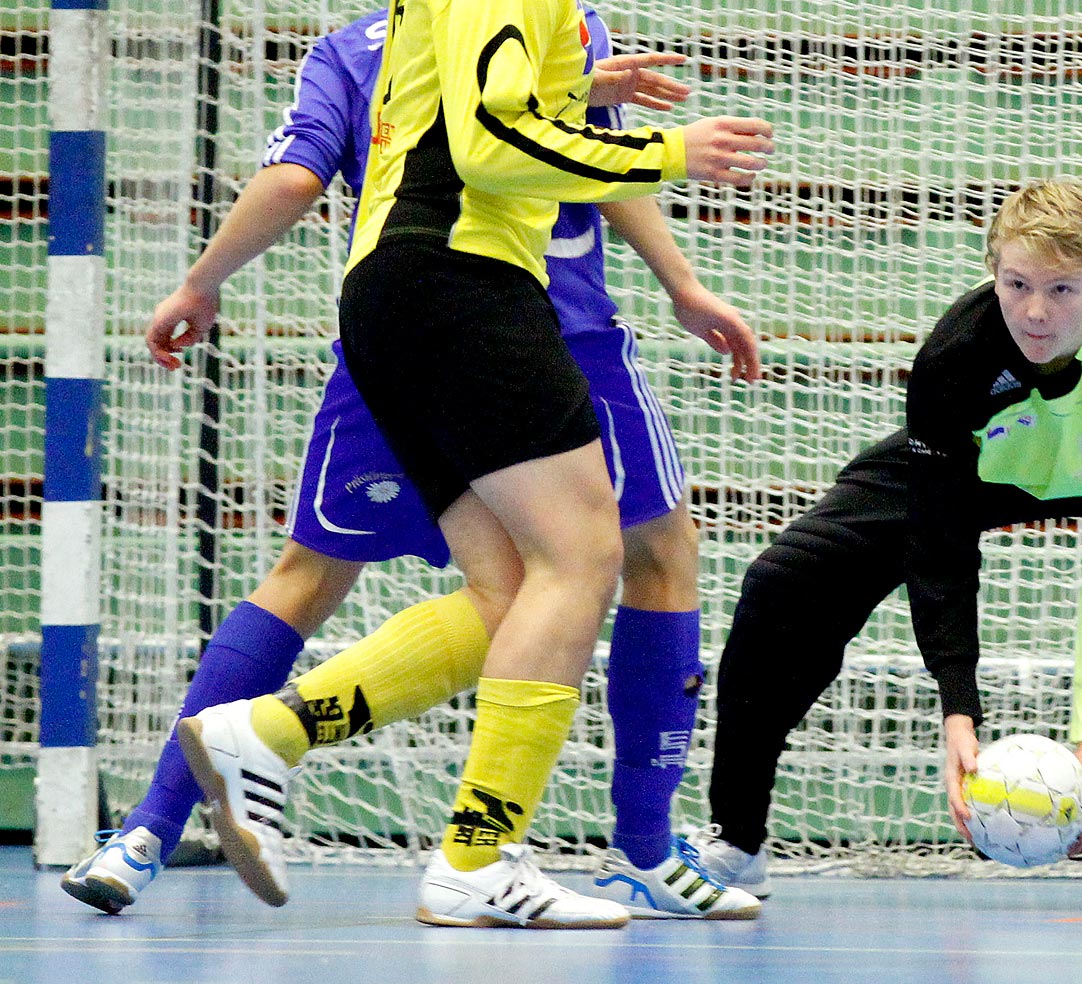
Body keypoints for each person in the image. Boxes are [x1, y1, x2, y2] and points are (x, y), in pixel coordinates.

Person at [63, 4, 769, 927]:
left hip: (400, 297)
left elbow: (474, 116)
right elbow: (484, 148)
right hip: (476, 294)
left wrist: (588, 104)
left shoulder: (416, 22)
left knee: (511, 587)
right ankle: (475, 858)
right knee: (585, 559)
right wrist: (670, 150)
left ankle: (264, 736)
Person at [685, 179, 1082, 915]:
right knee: (785, 580)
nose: (1035, 311)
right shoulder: (953, 359)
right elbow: (939, 546)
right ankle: (737, 838)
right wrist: (958, 708)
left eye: (1062, 289)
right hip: (992, 459)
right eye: (1017, 283)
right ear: (991, 269)